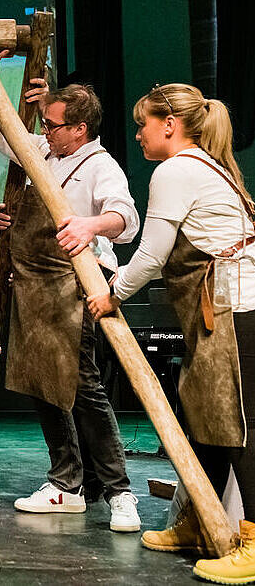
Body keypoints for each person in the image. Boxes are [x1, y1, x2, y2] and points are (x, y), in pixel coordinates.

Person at [87, 84, 255, 583]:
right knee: (206, 420)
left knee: (240, 428)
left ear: (169, 124)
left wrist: (112, 294)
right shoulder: (202, 165)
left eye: (143, 124)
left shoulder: (176, 169)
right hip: (220, 312)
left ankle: (253, 541)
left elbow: (152, 254)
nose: (138, 134)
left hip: (236, 310)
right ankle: (200, 521)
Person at [0, 52, 142, 532]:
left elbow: (126, 218)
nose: (44, 131)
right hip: (33, 288)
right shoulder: (42, 153)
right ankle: (67, 483)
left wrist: (91, 225)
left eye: (52, 125)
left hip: (74, 286)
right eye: (44, 124)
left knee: (82, 386)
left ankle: (119, 491)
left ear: (80, 129)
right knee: (42, 385)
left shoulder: (100, 166)